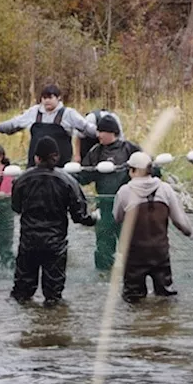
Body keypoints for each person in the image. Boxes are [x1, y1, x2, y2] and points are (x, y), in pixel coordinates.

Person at [10, 136, 97, 306]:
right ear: (56, 156)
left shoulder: (21, 180)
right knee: (54, 296)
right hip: (55, 245)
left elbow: (16, 208)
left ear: (36, 158)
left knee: (21, 294)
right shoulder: (68, 181)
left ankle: (24, 328)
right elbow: (79, 215)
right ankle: (53, 327)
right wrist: (95, 219)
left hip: (28, 242)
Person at [112, 151, 193, 302]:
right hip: (160, 252)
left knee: (133, 299)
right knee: (166, 297)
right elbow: (180, 221)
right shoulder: (165, 189)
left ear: (133, 170)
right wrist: (190, 232)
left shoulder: (124, 191)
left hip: (134, 254)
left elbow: (117, 218)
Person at [0, 84, 97, 167]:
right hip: (35, 166)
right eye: (44, 98)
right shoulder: (33, 112)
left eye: (50, 97)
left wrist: (105, 134)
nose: (46, 101)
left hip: (60, 167)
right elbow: (13, 124)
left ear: (58, 98)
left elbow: (87, 129)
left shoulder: (69, 114)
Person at [77, 114, 142, 271]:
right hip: (105, 207)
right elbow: (84, 177)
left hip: (128, 207)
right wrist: (71, 173)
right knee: (103, 248)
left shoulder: (130, 148)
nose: (97, 135)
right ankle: (103, 278)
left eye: (101, 132)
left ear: (112, 132)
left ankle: (134, 277)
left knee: (132, 246)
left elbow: (151, 170)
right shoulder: (95, 152)